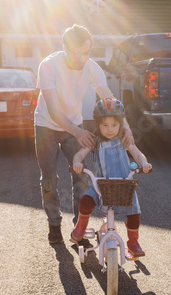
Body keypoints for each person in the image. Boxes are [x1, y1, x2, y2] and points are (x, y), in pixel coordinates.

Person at [35, 24, 134, 244]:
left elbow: (110, 100)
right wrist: (78, 132)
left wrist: (125, 126)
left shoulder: (91, 67)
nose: (82, 58)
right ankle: (54, 224)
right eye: (76, 53)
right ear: (64, 48)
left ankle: (79, 227)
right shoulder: (49, 66)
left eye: (86, 52)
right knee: (50, 180)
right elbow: (52, 109)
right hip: (46, 126)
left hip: (75, 126)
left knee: (81, 176)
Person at [71, 98, 152, 258]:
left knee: (134, 213)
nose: (110, 130)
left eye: (114, 125)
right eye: (105, 125)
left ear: (121, 124)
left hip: (124, 183)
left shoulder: (124, 139)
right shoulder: (94, 141)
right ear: (98, 124)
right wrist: (77, 163)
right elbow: (79, 155)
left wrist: (144, 163)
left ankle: (132, 241)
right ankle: (81, 226)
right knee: (85, 202)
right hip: (100, 183)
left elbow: (137, 154)